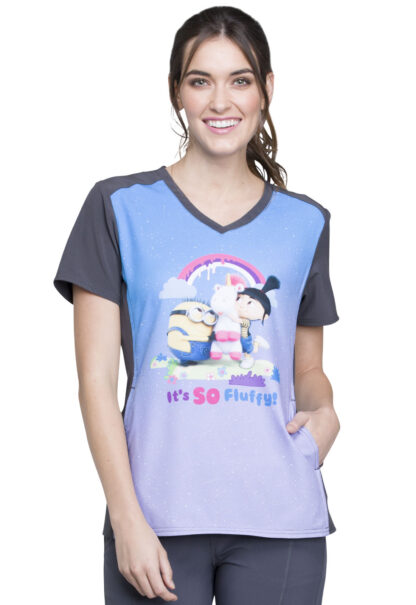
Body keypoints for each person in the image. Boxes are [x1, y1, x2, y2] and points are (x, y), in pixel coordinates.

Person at [53, 6, 341, 604]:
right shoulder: (117, 207)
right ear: (176, 92)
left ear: (266, 89)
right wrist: (126, 518)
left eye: (240, 80)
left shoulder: (306, 222)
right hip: (154, 517)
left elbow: (307, 368)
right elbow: (95, 382)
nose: (221, 101)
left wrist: (325, 411)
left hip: (281, 516)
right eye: (200, 80)